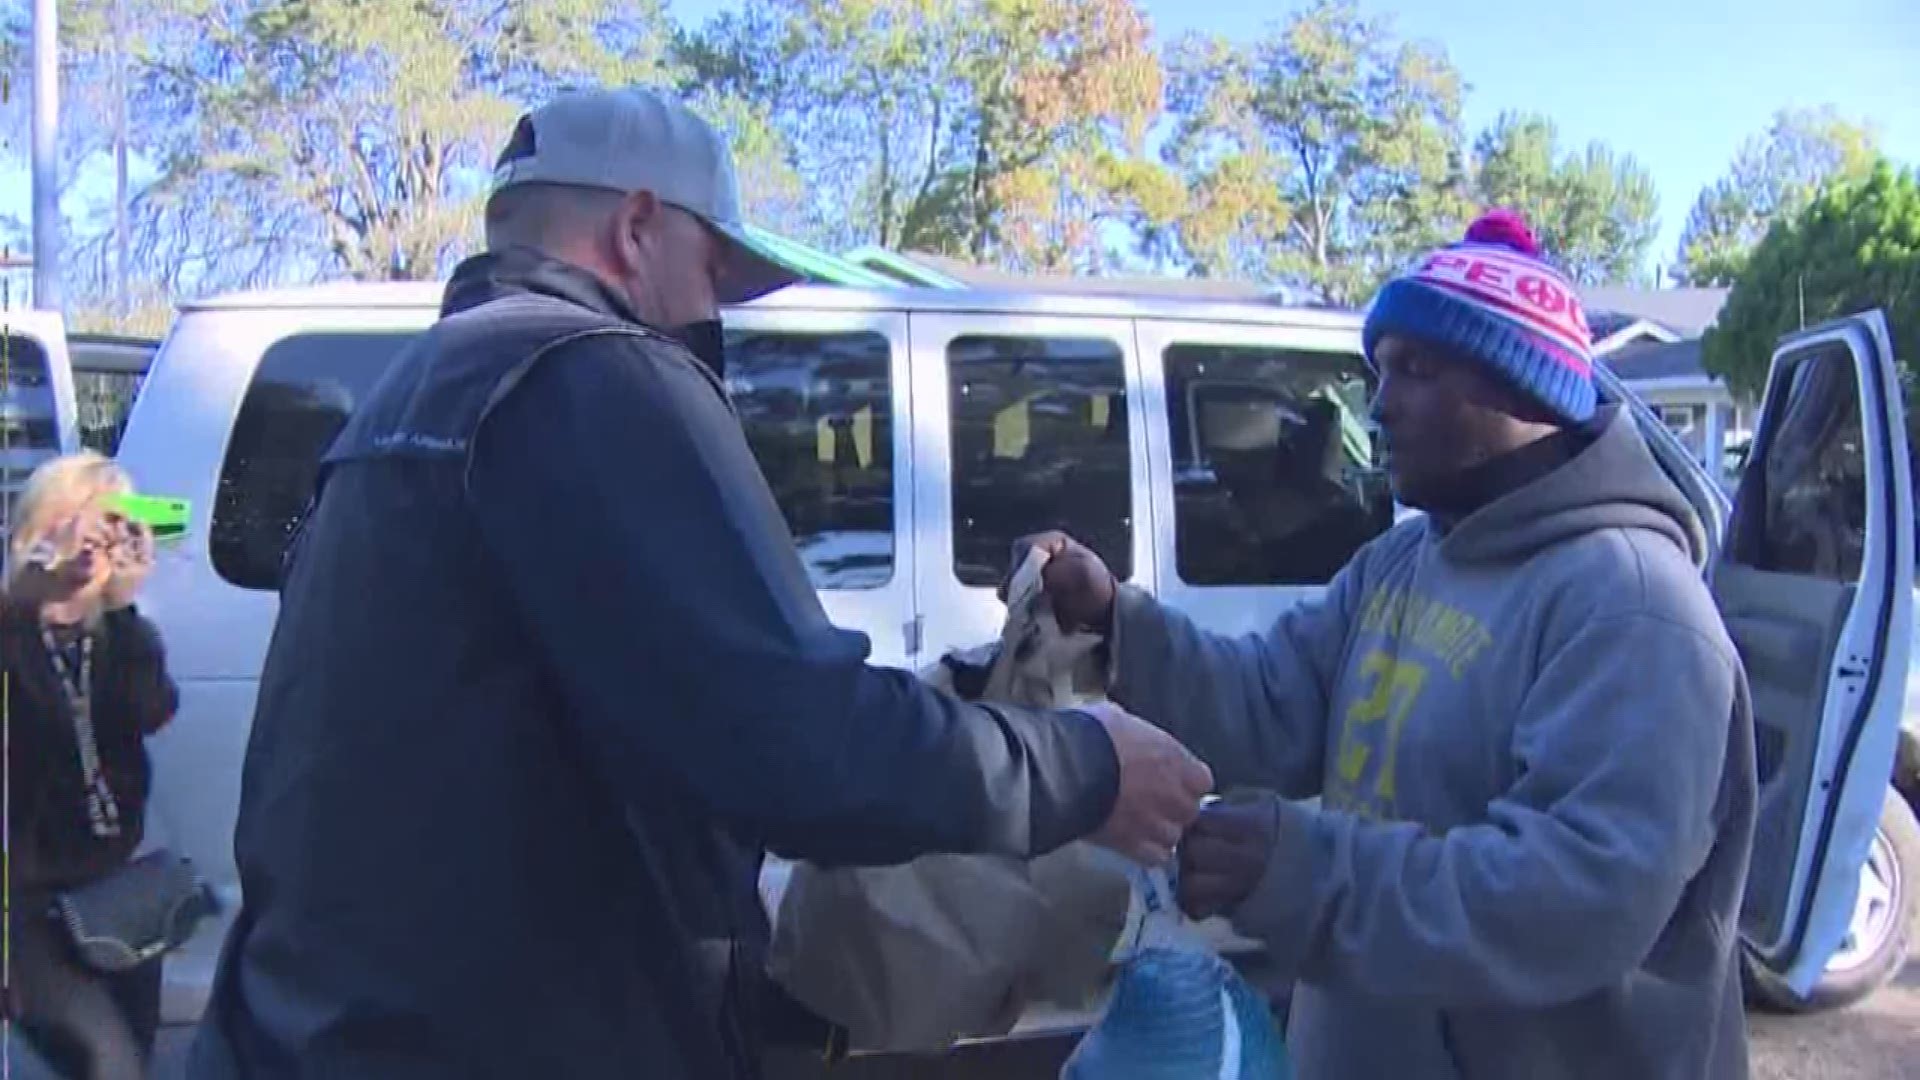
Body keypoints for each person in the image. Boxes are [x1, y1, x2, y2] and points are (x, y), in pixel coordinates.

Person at [185, 86, 1210, 1080]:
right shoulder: (596, 374)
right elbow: (798, 747)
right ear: (637, 227)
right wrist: (1086, 766)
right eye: (714, 273)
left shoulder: (400, 404)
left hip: (317, 1030)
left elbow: (621, 719)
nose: (712, 315)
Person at [1025, 210, 1757, 1079]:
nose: (1378, 402)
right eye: (1381, 369)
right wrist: (1116, 618)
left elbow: (1578, 896)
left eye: (1415, 368)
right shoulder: (1405, 560)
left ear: (1518, 387)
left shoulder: (1634, 609)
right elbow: (1268, 701)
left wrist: (1306, 872)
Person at [3, 451, 177, 1079]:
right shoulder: (12, 632)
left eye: (106, 526)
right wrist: (33, 597)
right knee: (109, 1063)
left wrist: (123, 606)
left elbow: (151, 710)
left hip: (121, 889)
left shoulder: (123, 638)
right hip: (31, 903)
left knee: (131, 1054)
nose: (90, 542)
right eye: (73, 521)